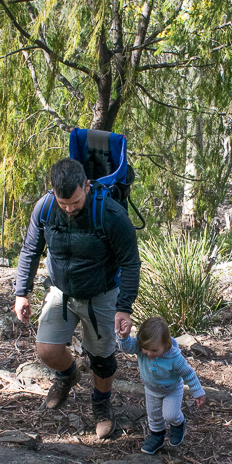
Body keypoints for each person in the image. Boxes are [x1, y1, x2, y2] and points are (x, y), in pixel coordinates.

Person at [13, 158, 140, 439]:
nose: (69, 209)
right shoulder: (45, 207)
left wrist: (124, 308)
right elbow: (31, 249)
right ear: (54, 192)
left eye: (75, 202)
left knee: (102, 359)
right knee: (46, 349)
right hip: (61, 290)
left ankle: (101, 405)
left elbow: (130, 263)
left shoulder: (110, 214)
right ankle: (68, 375)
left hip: (102, 295)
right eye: (63, 203)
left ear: (87, 185)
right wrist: (22, 291)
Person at [116, 316, 206, 454]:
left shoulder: (174, 358)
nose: (149, 353)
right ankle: (157, 437)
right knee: (154, 415)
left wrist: (198, 391)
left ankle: (179, 424)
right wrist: (123, 337)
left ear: (166, 344)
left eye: (154, 350)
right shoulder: (141, 347)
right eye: (145, 349)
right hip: (151, 389)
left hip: (172, 389)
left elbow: (188, 374)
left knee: (170, 415)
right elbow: (127, 347)